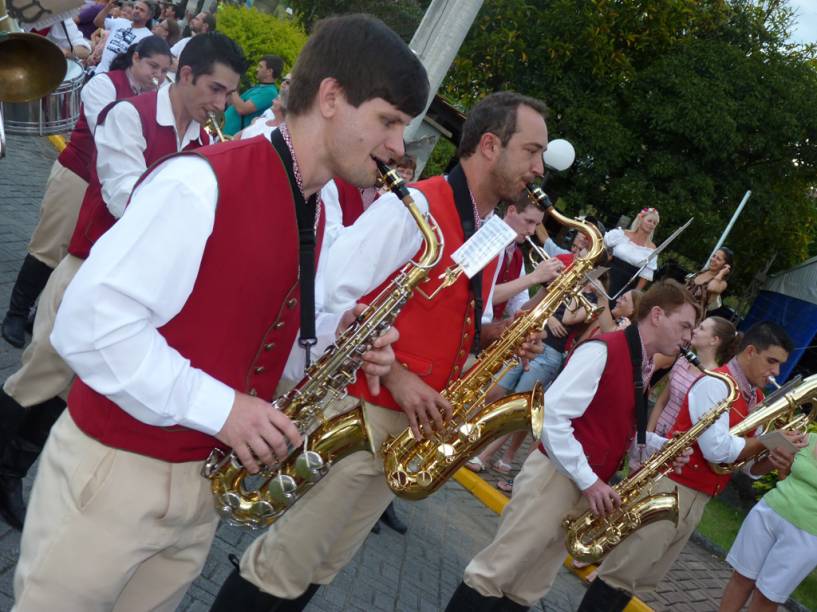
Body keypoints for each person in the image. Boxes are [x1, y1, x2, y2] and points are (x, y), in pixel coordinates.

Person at [12, 15, 426, 611]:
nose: (396, 147)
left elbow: (266, 342)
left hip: (200, 489)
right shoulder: (201, 183)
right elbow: (89, 324)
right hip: (115, 479)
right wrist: (224, 409)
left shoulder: (319, 208)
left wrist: (341, 342)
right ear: (332, 98)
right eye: (389, 121)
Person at [207, 90, 553, 612]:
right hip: (358, 409)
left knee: (319, 568)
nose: (539, 167)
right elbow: (331, 296)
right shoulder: (414, 208)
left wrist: (500, 333)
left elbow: (449, 312)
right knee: (281, 564)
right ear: (488, 145)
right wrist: (396, 377)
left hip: (398, 434)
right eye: (531, 151)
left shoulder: (485, 228)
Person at [445, 280, 699, 611]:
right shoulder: (603, 350)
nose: (687, 338)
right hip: (555, 479)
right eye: (684, 326)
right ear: (656, 315)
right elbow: (550, 417)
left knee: (528, 587)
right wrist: (591, 481)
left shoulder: (643, 363)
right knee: (495, 573)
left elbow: (616, 427)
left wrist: (659, 450)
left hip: (581, 485)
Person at [579, 321, 805, 612]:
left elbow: (746, 468)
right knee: (621, 573)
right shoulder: (716, 383)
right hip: (672, 486)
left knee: (640, 578)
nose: (776, 372)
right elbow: (716, 450)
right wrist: (766, 442)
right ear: (750, 352)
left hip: (697, 498)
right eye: (771, 362)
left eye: (780, 365)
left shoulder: (756, 398)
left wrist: (772, 456)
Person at [0, 35, 171, 350]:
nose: (157, 75)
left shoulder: (152, 98)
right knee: (49, 246)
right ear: (135, 58)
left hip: (104, 190)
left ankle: (37, 317)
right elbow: (106, 134)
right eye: (152, 66)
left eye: (163, 69)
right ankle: (15, 311)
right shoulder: (104, 85)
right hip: (78, 175)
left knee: (75, 256)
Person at [719, 431, 817, 612]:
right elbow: (785, 475)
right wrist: (782, 464)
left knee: (767, 596)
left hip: (808, 534)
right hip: (769, 511)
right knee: (741, 578)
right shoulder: (809, 437)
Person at [604, 207, 660, 299]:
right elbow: (603, 244)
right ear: (641, 219)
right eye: (649, 221)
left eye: (654, 223)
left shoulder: (651, 249)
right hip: (606, 276)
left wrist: (634, 294)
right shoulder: (621, 234)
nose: (651, 225)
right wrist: (607, 256)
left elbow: (645, 275)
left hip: (625, 286)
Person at [223, 54, 284, 135]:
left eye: (260, 67)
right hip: (224, 132)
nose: (257, 69)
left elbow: (242, 109)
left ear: (269, 72)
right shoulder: (259, 87)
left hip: (232, 137)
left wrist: (232, 85)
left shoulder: (269, 92)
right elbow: (233, 104)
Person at [92, 0, 154, 73]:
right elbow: (97, 22)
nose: (137, 11)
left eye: (142, 10)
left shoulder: (148, 37)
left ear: (149, 16)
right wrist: (108, 7)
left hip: (117, 76)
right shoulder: (120, 21)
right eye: (136, 8)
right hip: (99, 71)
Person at [686, 247, 733, 318]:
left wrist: (722, 272)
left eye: (718, 259)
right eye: (714, 256)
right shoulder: (702, 272)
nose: (713, 259)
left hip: (692, 318)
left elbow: (711, 287)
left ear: (725, 265)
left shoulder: (722, 283)